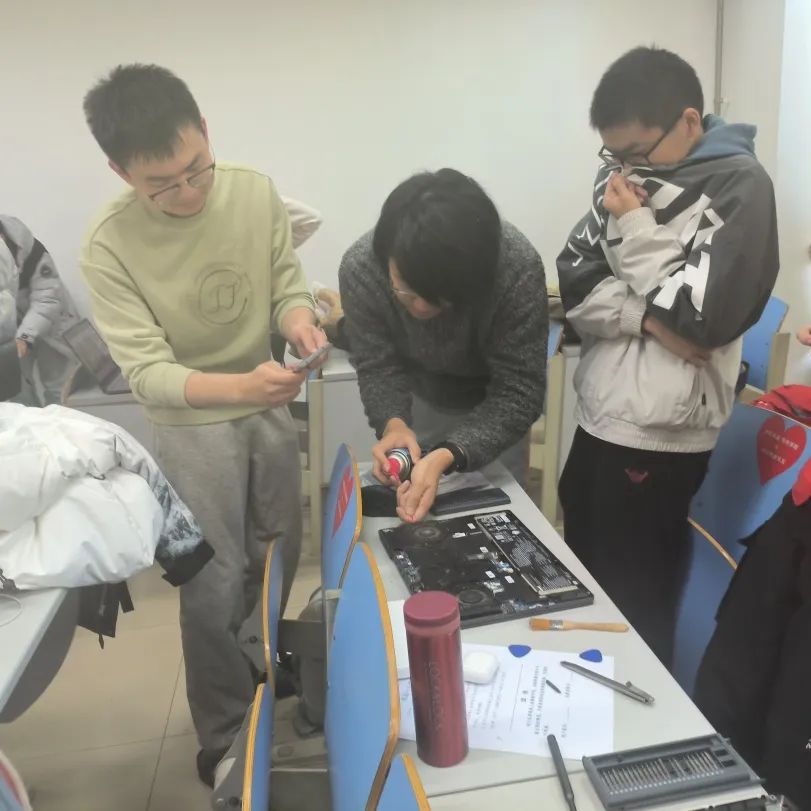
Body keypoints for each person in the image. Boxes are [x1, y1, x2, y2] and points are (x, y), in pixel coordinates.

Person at [80, 64, 326, 787]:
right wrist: (241, 385)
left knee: (277, 552)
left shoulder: (252, 191)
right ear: (121, 171)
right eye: (162, 185)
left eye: (197, 168)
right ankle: (221, 733)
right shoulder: (108, 245)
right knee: (213, 580)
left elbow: (285, 282)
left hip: (268, 401)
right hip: (191, 425)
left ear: (206, 133)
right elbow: (148, 373)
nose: (188, 193)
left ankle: (259, 668)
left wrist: (299, 322)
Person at [557, 46, 779, 668]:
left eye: (636, 151)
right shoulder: (627, 175)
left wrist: (634, 229)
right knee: (584, 577)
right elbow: (576, 280)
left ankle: (636, 713)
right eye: (613, 155)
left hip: (662, 432)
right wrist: (649, 318)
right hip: (599, 413)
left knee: (634, 600)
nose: (623, 170)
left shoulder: (741, 188)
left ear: (688, 121)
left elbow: (705, 320)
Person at [339, 168, 548, 523]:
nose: (421, 307)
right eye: (407, 291)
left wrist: (450, 453)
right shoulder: (362, 268)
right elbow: (378, 365)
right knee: (419, 511)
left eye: (440, 296)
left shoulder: (515, 266)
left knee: (498, 516)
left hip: (496, 403)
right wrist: (393, 425)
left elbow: (518, 389)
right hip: (421, 394)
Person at [0, 216, 79, 406]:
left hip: (52, 325)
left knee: (60, 390)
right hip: (11, 333)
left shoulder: (32, 251)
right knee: (20, 396)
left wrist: (25, 336)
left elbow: (47, 300)